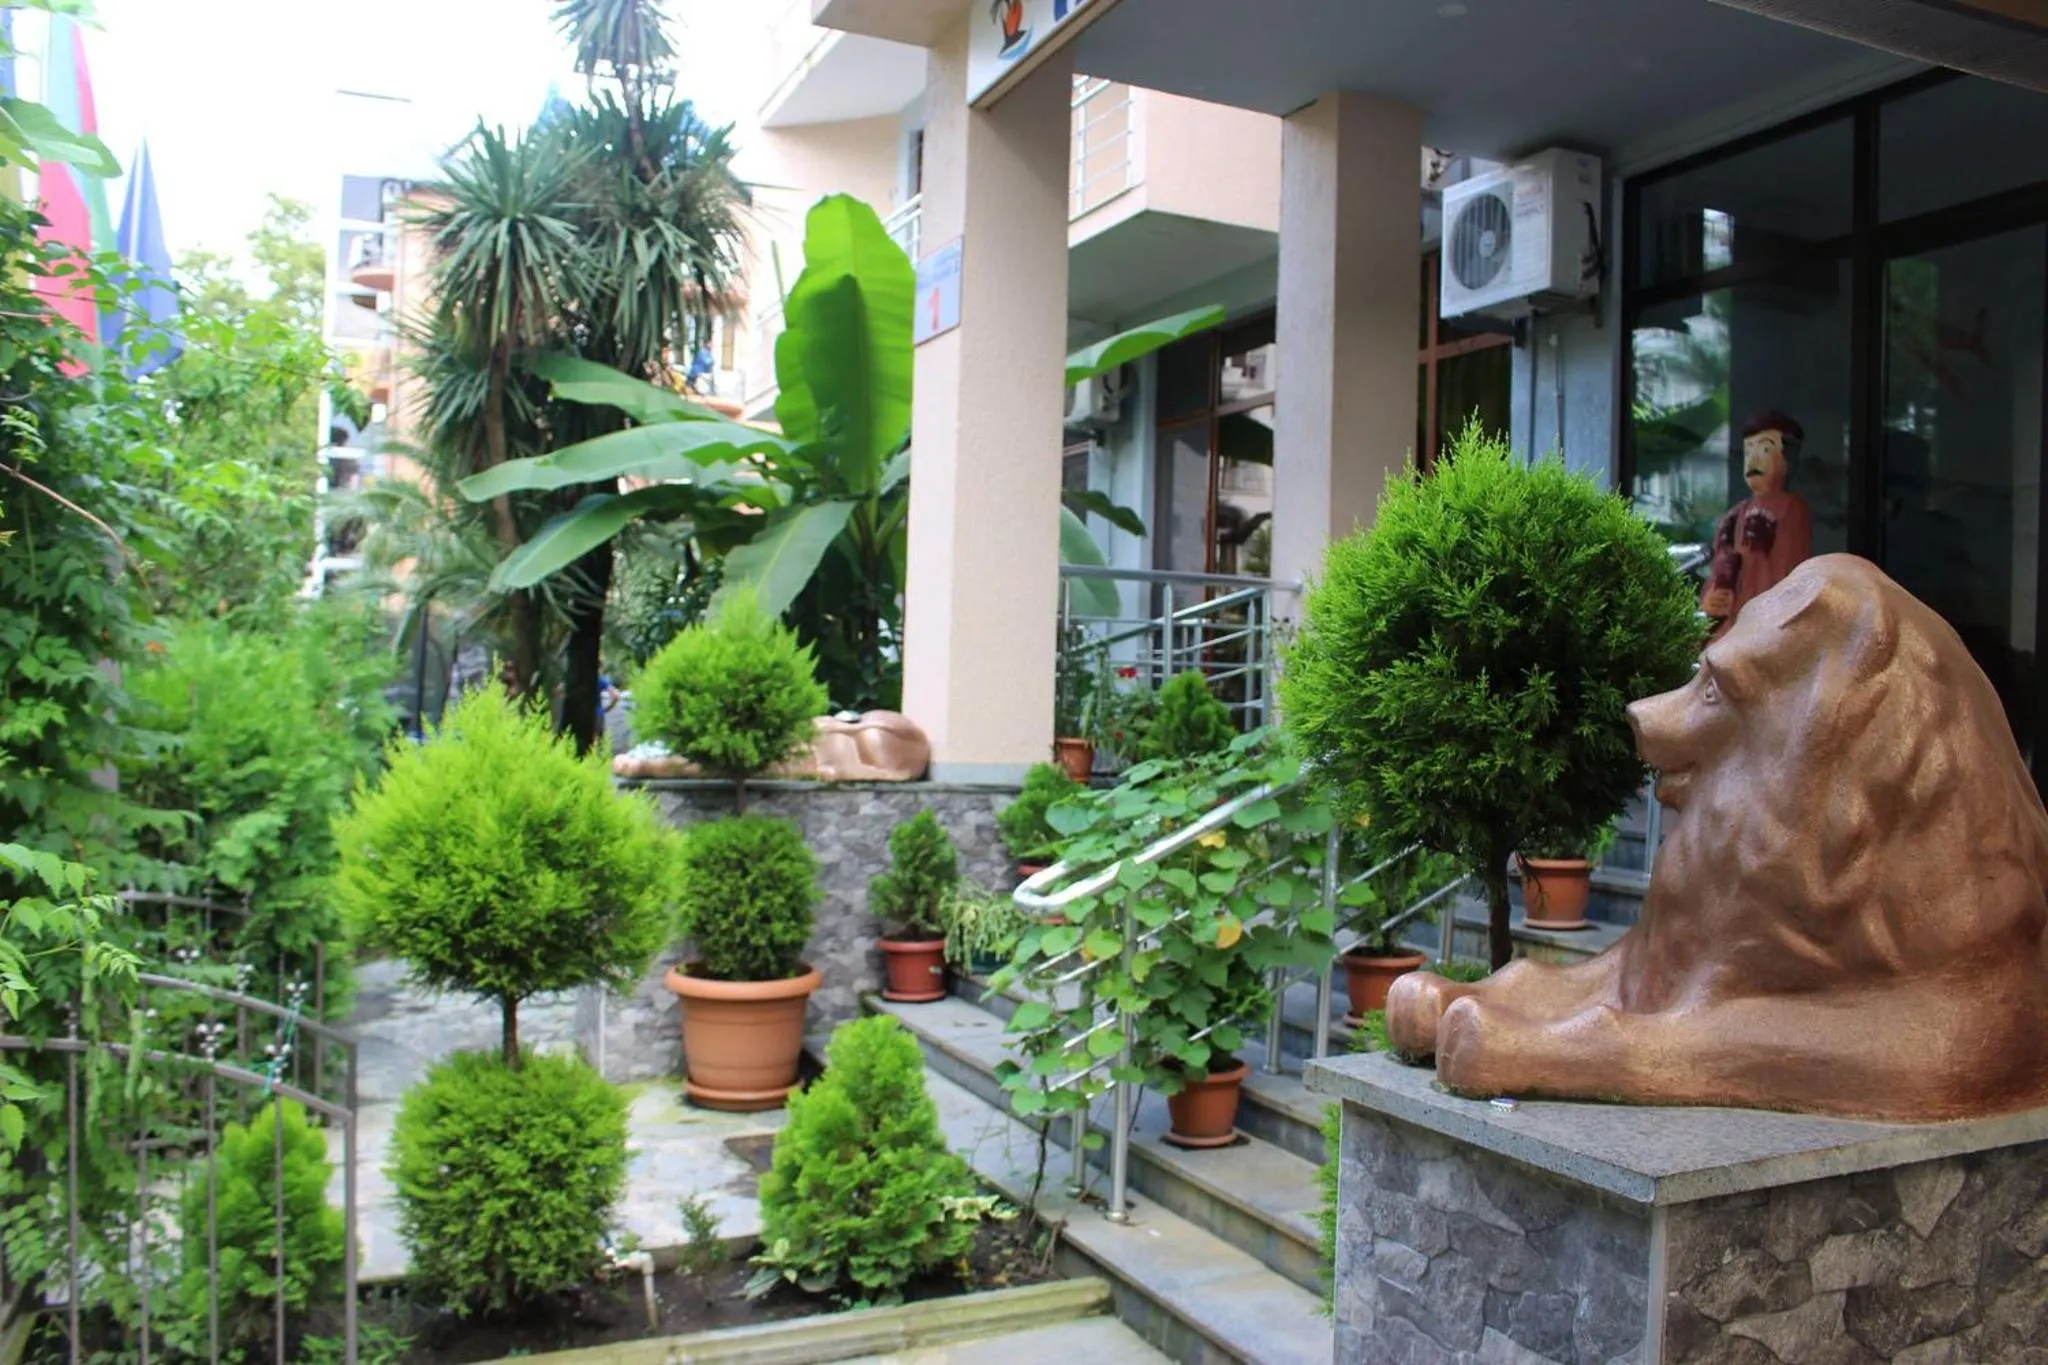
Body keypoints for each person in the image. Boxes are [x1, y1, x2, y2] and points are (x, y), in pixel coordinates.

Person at [1701, 410, 1813, 639]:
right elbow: (1717, 571)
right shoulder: (1732, 517)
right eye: (1748, 450)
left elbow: (1786, 574)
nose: (1753, 460)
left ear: (1788, 457)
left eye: (1764, 449)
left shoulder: (1790, 509)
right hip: (1728, 633)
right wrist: (1711, 599)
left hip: (1762, 632)